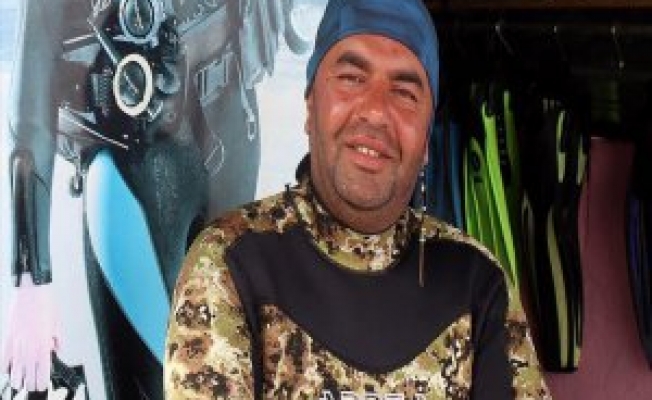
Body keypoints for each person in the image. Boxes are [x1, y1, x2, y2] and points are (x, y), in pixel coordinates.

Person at [164, 0, 552, 398]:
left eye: (404, 93)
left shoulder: (477, 284)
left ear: (426, 140)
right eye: (351, 78)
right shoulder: (233, 262)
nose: (376, 111)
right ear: (311, 105)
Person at [1, 0, 308, 398]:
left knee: (227, 377)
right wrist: (31, 279)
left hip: (232, 126)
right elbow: (33, 81)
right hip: (137, 171)